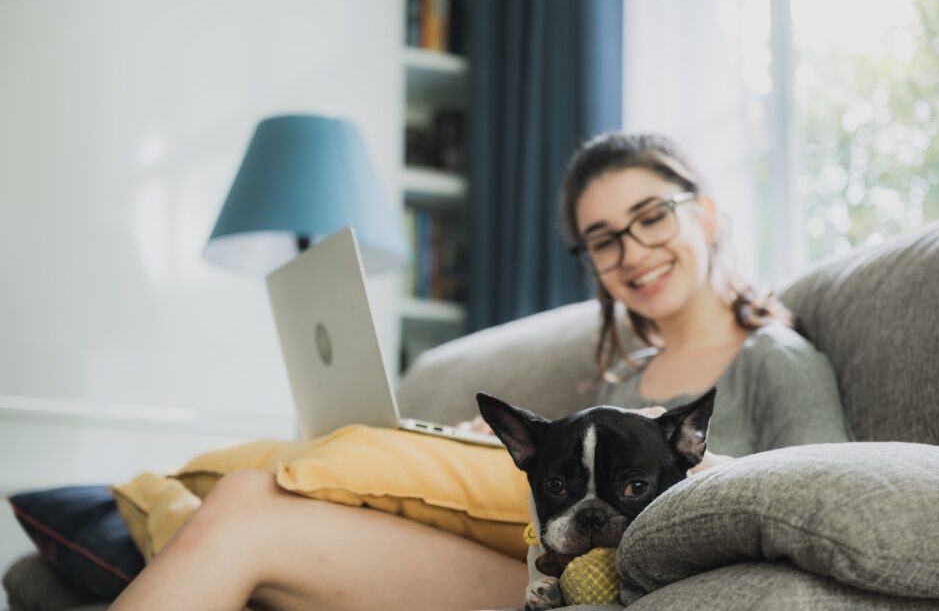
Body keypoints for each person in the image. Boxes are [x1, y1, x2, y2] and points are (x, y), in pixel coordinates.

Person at [109, 132, 850, 611]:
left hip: (636, 589)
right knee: (246, 499)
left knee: (244, 516)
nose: (633, 251)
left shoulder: (772, 360)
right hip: (542, 579)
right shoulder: (623, 381)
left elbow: (825, 506)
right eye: (603, 239)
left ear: (708, 216)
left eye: (652, 216)